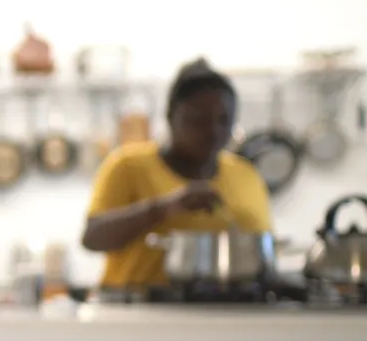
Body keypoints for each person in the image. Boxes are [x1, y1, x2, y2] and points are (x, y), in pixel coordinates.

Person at [81, 58, 272, 288]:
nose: (213, 131)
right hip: (137, 315)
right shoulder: (127, 166)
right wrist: (165, 207)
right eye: (198, 120)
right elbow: (92, 237)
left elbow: (263, 249)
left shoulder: (246, 175)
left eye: (224, 120)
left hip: (232, 313)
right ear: (171, 116)